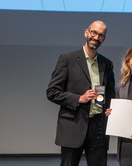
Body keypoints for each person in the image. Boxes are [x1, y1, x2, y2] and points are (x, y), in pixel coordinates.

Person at [47, 20, 115, 166]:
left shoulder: (107, 64)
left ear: (104, 39)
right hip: (73, 126)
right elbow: (52, 92)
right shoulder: (67, 59)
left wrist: (112, 108)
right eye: (94, 33)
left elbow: (110, 94)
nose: (96, 37)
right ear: (86, 33)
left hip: (98, 127)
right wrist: (79, 98)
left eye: (101, 35)